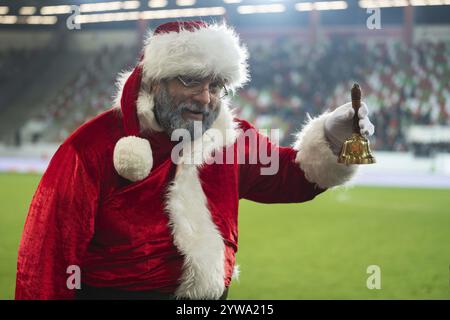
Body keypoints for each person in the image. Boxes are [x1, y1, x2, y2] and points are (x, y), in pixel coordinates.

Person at [15, 21, 374, 300]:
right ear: (153, 82)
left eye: (216, 86)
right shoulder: (90, 149)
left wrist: (333, 133)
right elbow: (46, 264)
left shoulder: (232, 138)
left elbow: (295, 176)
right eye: (190, 80)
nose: (205, 98)